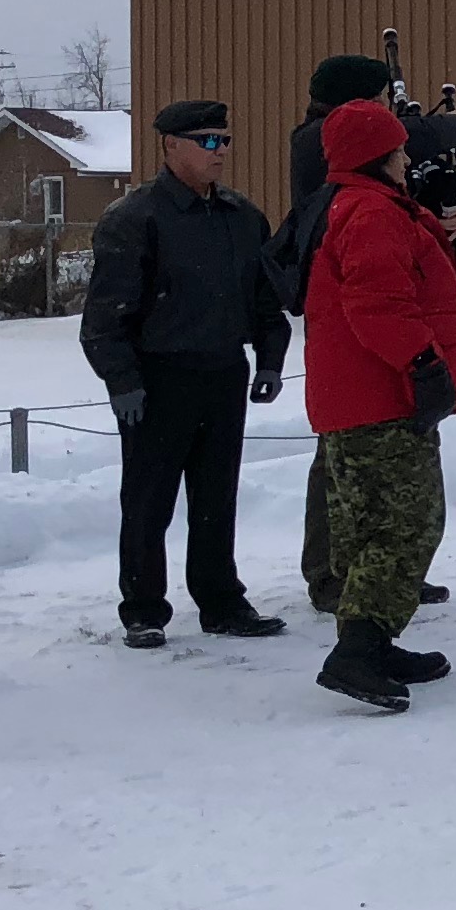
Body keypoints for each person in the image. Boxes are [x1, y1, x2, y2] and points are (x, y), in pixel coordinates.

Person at [297, 96, 456, 711]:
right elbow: (378, 304)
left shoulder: (354, 205)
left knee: (366, 528)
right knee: (408, 524)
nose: (408, 160)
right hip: (382, 397)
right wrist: (424, 364)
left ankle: (372, 642)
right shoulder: (372, 213)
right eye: (400, 151)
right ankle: (358, 651)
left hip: (353, 398)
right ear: (376, 155)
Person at [80, 98, 291, 649]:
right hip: (159, 378)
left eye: (224, 140)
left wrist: (270, 359)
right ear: (171, 146)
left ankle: (221, 601)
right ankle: (143, 608)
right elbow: (105, 317)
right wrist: (122, 380)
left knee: (217, 497)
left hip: (223, 372)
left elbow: (264, 299)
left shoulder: (241, 217)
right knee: (148, 501)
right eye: (207, 141)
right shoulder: (135, 219)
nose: (219, 152)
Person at [281, 51, 456, 618]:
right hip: (359, 343)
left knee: (364, 478)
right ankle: (341, 579)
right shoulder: (321, 142)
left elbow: (427, 167)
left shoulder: (371, 174)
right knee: (354, 474)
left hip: (370, 337)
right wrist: (424, 363)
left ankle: (381, 578)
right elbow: (444, 132)